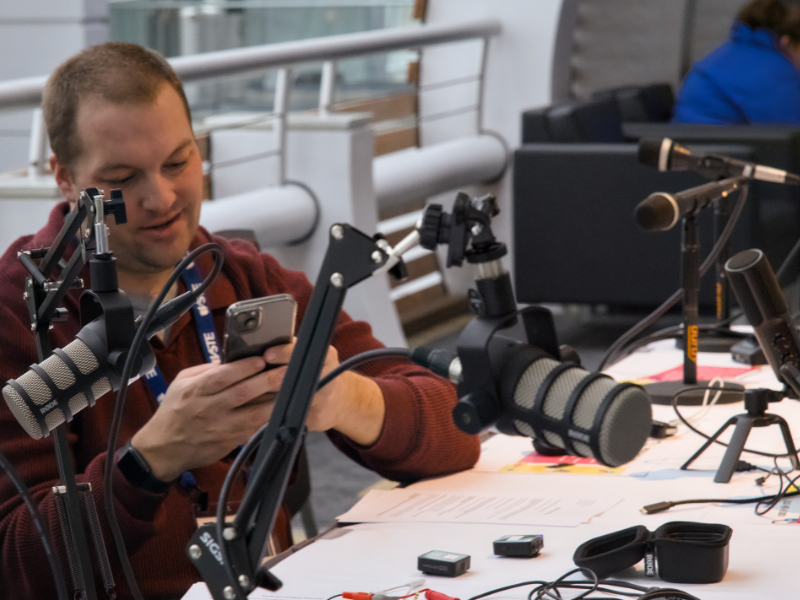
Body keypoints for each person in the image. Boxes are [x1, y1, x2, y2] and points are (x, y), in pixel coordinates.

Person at [0, 43, 479, 600]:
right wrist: (150, 463)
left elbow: (456, 428)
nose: (161, 197)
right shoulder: (19, 315)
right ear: (64, 178)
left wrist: (343, 400)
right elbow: (14, 565)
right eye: (123, 179)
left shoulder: (247, 276)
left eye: (179, 161)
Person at [673, 0, 800, 125]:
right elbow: (789, 125)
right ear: (786, 44)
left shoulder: (738, 50)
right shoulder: (774, 73)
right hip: (712, 143)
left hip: (694, 139)